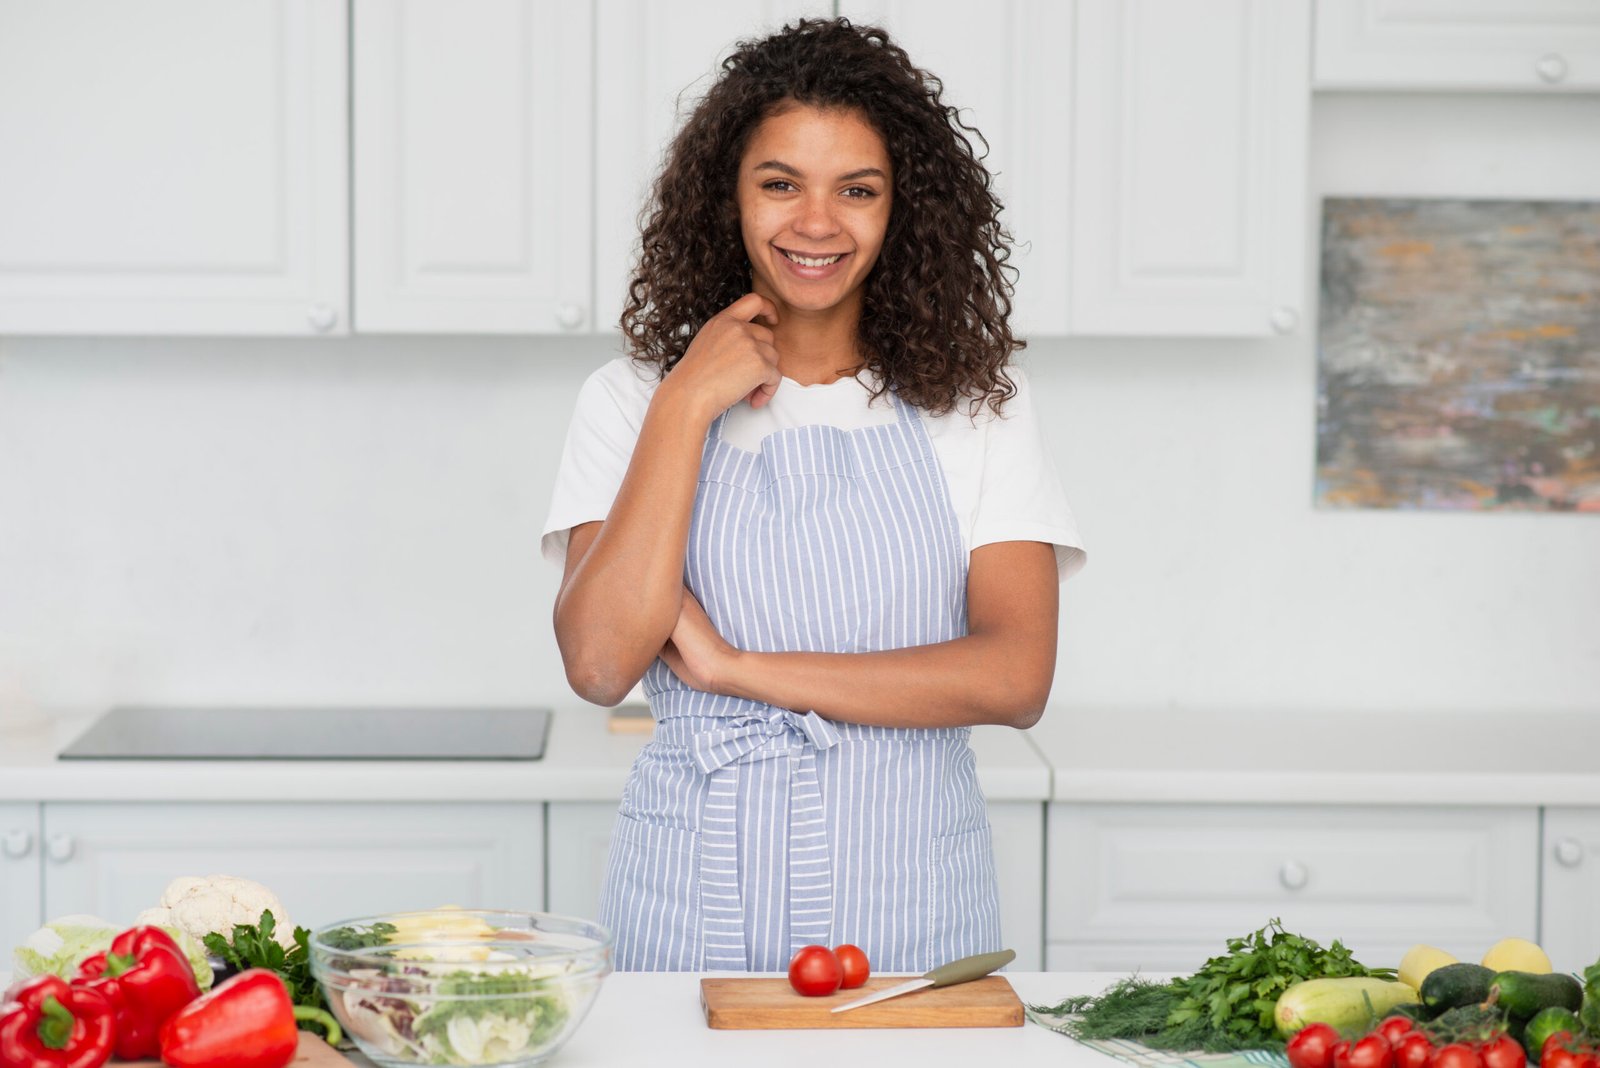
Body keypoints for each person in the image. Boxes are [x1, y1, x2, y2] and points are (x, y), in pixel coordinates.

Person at [542, 17, 1085, 973]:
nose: (817, 222)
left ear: (902, 210)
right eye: (781, 183)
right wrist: (683, 406)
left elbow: (1013, 678)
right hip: (689, 901)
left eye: (858, 190)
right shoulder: (630, 400)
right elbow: (597, 662)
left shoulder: (977, 408)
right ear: (730, 197)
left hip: (910, 911)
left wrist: (736, 668)